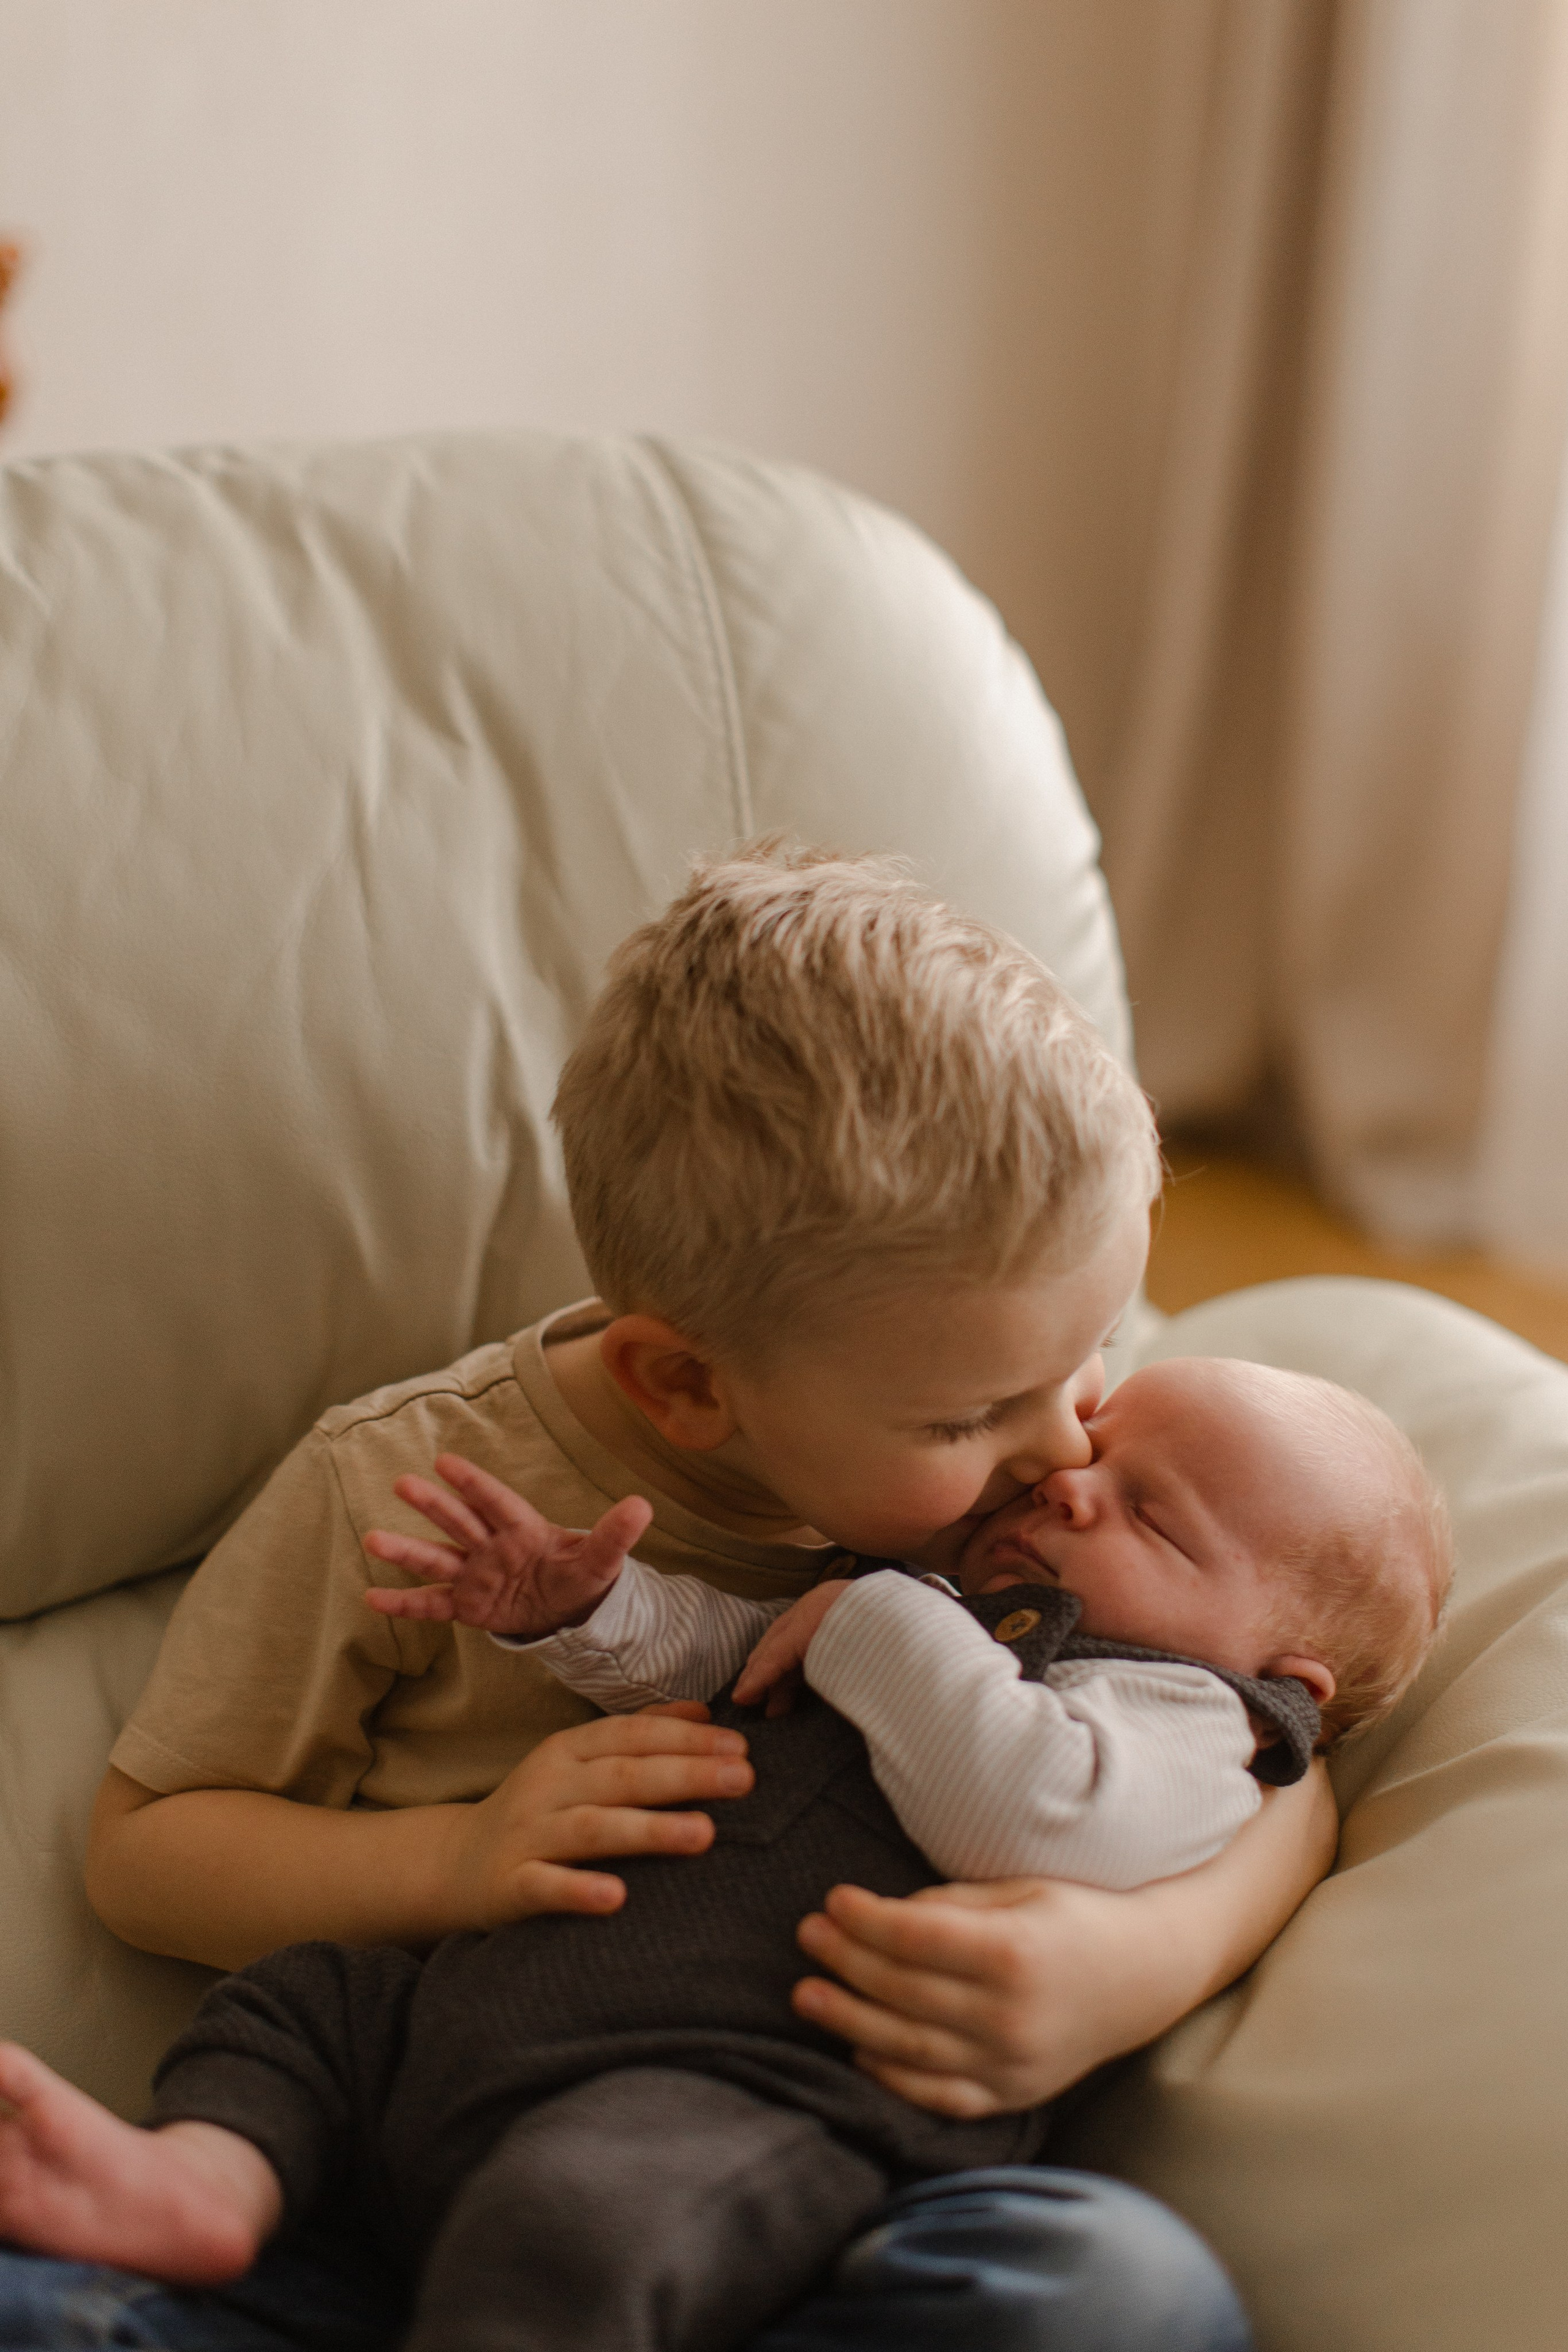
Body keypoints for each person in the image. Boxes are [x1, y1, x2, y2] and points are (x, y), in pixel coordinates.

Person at [0, 847, 1340, 2350]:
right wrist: (454, 1863)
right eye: (975, 1416)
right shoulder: (409, 1494)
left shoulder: (1029, 1486)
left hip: (805, 2169)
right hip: (401, 2135)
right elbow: (146, 1856)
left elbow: (1271, 1754)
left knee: (1120, 2295)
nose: (1064, 1443)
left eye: (1090, 1352)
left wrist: (1130, 1963)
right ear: (686, 1383)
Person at [0, 1355, 1449, 2352]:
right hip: (457, 2043)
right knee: (306, 2002)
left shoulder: (1186, 1718)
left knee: (587, 2224)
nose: (1068, 1482)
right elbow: (726, 1655)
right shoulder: (932, 1599)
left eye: (1151, 1515)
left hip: (727, 2108)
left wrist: (883, 1621)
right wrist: (577, 1611)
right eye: (1098, 1446)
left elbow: (1023, 1806)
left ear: (1287, 1680)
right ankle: (205, 2180)